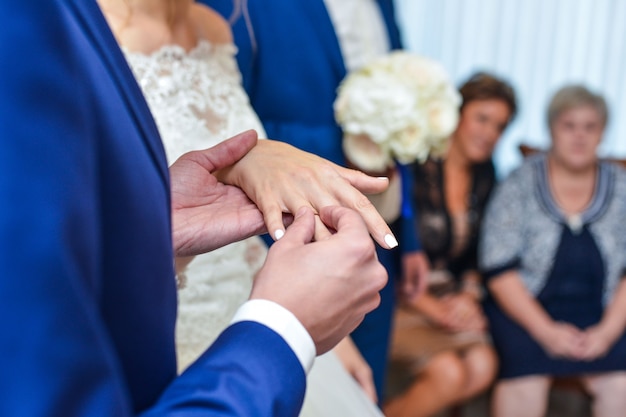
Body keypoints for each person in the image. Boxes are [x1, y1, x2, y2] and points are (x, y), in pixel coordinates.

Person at [0, 1, 393, 415]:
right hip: (202, 352)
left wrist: (165, 226)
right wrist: (287, 328)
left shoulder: (215, 28)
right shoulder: (43, 26)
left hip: (251, 311)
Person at [202, 0, 430, 401]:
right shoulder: (240, 10)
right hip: (294, 233)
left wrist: (409, 238)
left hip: (382, 234)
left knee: (365, 387)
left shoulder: (386, 7)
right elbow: (236, 127)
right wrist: (346, 157)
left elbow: (405, 114)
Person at [479, 85, 626, 417]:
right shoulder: (519, 182)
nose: (579, 136)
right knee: (526, 382)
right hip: (526, 312)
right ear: (551, 129)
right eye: (569, 125)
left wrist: (606, 333)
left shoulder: (621, 187)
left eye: (590, 127)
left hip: (604, 313)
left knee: (621, 385)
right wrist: (545, 331)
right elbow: (498, 269)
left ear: (602, 133)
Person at [384, 72, 517, 417]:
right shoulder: (416, 165)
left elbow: (481, 254)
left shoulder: (487, 175)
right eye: (482, 119)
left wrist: (468, 298)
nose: (490, 133)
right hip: (398, 298)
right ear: (456, 115)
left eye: (500, 126)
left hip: (448, 297)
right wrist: (432, 308)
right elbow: (388, 248)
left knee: (484, 365)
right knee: (449, 373)